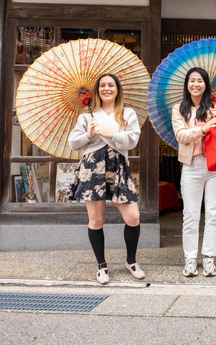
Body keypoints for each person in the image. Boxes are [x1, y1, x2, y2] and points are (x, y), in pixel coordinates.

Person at [68, 73, 144, 285]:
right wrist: (90, 135)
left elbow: (132, 141)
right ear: (97, 90)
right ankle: (102, 266)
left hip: (118, 166)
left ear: (117, 89)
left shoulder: (127, 114)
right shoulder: (86, 116)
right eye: (102, 85)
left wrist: (109, 134)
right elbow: (73, 143)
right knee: (96, 220)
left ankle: (131, 261)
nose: (107, 88)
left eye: (111, 85)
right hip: (93, 168)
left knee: (133, 217)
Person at [172, 67, 216, 277]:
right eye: (192, 81)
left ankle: (209, 258)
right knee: (190, 215)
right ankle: (190, 259)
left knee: (214, 213)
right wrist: (203, 129)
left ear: (206, 84)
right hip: (192, 165)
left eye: (200, 80)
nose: (196, 84)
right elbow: (181, 135)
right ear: (187, 85)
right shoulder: (179, 109)